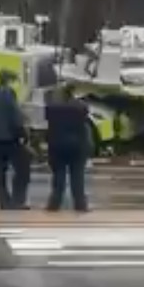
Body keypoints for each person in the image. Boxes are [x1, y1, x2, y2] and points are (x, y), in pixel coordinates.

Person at [0, 70, 30, 209]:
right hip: (10, 139)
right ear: (9, 81)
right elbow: (15, 117)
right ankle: (18, 200)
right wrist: (23, 134)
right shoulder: (8, 94)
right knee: (22, 170)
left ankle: (3, 201)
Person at [44, 83, 91, 212]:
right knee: (77, 177)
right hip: (77, 147)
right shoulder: (81, 107)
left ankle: (54, 204)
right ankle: (80, 204)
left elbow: (49, 126)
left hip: (57, 146)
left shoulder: (51, 108)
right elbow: (84, 124)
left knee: (58, 177)